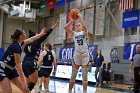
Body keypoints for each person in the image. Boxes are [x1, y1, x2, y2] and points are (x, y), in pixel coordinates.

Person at [0, 28, 46, 93]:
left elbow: (31, 39)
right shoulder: (15, 46)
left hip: (11, 69)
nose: (26, 34)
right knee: (8, 91)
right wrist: (23, 82)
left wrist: (40, 35)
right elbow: (18, 65)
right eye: (24, 33)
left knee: (26, 90)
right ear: (21, 36)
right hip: (2, 69)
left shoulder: (19, 43)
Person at [22, 20, 59, 91]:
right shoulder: (36, 42)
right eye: (37, 35)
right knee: (35, 83)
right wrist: (53, 27)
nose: (39, 36)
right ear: (34, 37)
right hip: (31, 63)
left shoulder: (26, 44)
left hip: (24, 63)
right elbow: (46, 35)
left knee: (28, 84)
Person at [64, 13, 95, 93]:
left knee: (84, 76)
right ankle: (70, 91)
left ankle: (84, 92)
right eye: (77, 25)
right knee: (73, 75)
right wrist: (72, 21)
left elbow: (85, 27)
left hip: (85, 55)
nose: (78, 26)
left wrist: (81, 17)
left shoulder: (84, 33)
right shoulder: (74, 34)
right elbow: (65, 27)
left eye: (79, 25)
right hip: (77, 55)